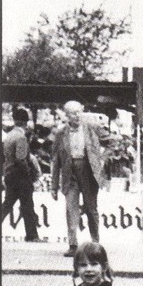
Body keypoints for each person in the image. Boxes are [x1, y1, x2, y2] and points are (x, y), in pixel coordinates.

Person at [51, 100, 108, 258]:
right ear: (67, 116)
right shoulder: (60, 133)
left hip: (88, 172)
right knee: (70, 209)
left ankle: (95, 242)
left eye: (78, 112)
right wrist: (53, 186)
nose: (76, 116)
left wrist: (101, 159)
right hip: (70, 174)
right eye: (73, 113)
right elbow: (55, 161)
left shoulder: (91, 128)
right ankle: (73, 244)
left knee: (91, 209)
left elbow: (112, 141)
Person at [1, 106, 40, 242]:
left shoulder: (10, 136)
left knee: (7, 204)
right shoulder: (21, 137)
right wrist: (29, 173)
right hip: (20, 176)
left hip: (9, 174)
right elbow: (21, 158)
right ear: (26, 121)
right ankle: (32, 235)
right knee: (28, 205)